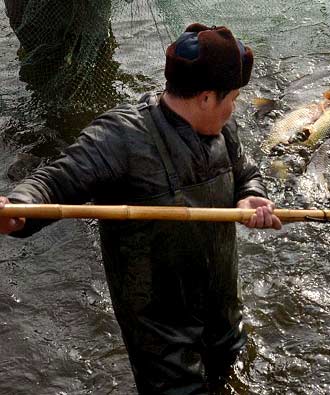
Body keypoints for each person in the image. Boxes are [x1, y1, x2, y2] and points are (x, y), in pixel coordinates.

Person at [0, 23, 282, 394]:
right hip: (161, 331)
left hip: (222, 308)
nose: (235, 108)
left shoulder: (222, 129)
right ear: (206, 98)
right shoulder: (122, 136)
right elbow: (55, 181)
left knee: (232, 378)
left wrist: (250, 196)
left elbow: (246, 173)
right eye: (232, 98)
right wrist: (19, 205)